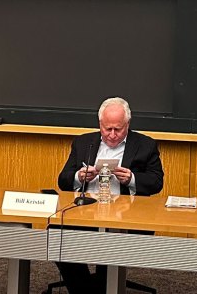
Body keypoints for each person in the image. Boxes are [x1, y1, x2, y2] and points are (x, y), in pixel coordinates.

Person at [55, 97, 164, 294]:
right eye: (107, 129)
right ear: (100, 125)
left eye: (118, 129)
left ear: (127, 125)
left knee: (111, 242)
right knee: (56, 231)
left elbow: (156, 182)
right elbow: (63, 180)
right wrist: (79, 177)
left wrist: (131, 178)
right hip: (86, 213)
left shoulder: (145, 145)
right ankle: (86, 289)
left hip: (127, 216)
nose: (112, 135)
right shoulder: (84, 142)